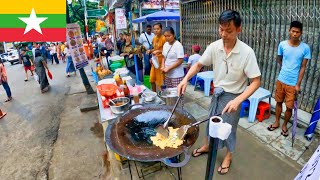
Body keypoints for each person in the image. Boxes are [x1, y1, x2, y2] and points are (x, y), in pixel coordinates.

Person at [177, 10, 261, 175]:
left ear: (239, 29)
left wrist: (239, 100)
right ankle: (208, 145)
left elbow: (256, 81)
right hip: (218, 94)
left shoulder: (247, 52)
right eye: (221, 29)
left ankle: (228, 156)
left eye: (228, 31)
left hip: (233, 98)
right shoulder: (214, 47)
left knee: (228, 129)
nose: (223, 34)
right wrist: (185, 78)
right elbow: (198, 65)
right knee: (211, 122)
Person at [267, 21, 311, 136]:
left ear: (301, 33)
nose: (295, 34)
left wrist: (298, 84)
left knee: (289, 107)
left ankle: (284, 125)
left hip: (293, 84)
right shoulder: (282, 45)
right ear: (289, 31)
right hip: (281, 80)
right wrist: (285, 68)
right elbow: (279, 58)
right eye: (293, 31)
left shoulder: (305, 48)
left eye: (297, 32)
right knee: (278, 102)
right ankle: (276, 122)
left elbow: (303, 67)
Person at [147, 23, 166, 92]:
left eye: (158, 29)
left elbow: (166, 51)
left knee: (160, 82)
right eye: (154, 29)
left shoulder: (164, 38)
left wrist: (158, 51)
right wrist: (150, 51)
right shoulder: (154, 38)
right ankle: (154, 93)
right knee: (151, 79)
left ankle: (162, 95)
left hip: (161, 63)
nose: (156, 30)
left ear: (161, 29)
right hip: (154, 62)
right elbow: (154, 49)